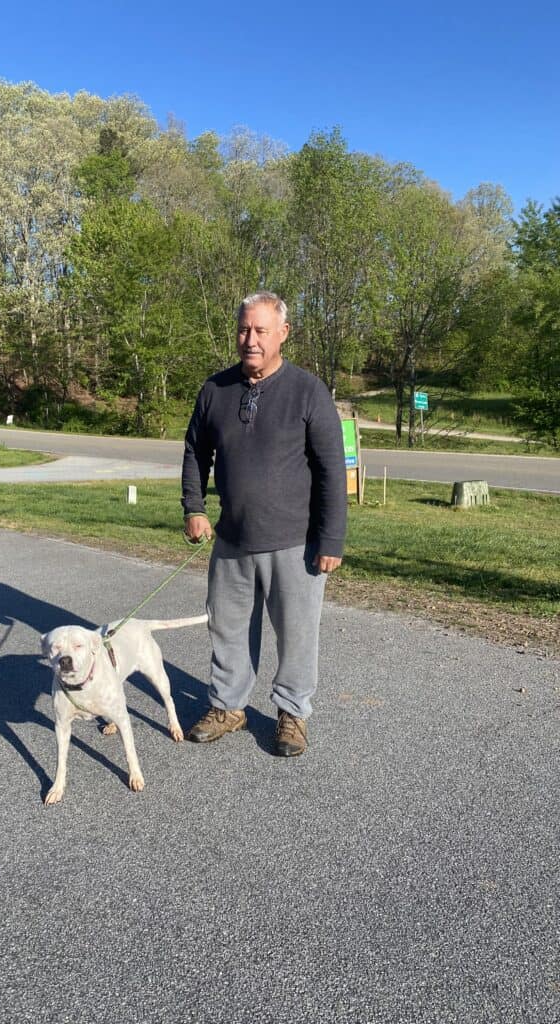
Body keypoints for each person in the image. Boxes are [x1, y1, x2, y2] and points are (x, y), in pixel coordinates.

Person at [181, 291, 347, 756]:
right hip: (231, 539)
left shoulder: (307, 391)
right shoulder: (215, 390)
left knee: (296, 635)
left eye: (260, 330)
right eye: (243, 329)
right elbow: (196, 451)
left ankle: (292, 714)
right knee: (228, 628)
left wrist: (331, 537)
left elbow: (333, 470)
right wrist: (194, 508)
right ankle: (228, 707)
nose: (249, 339)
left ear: (283, 334)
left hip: (295, 544)